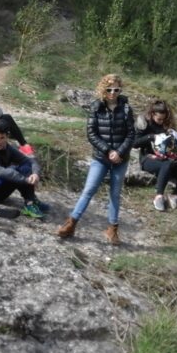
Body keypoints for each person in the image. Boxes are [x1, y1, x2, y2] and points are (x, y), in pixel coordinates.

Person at [57, 74, 135, 244]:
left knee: (115, 194)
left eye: (116, 89)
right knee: (89, 190)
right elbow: (91, 133)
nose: (113, 93)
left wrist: (119, 153)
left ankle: (112, 230)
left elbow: (131, 134)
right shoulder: (95, 107)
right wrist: (108, 151)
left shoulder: (126, 109)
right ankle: (71, 224)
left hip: (120, 159)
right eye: (109, 89)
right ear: (103, 89)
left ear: (120, 90)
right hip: (101, 157)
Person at [0, 119, 45, 218]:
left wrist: (35, 174)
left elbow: (29, 161)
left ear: (7, 137)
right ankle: (30, 203)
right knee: (14, 170)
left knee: (25, 167)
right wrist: (25, 180)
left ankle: (31, 200)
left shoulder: (7, 148)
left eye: (2, 138)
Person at [134, 100, 177, 211]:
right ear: (152, 114)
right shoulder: (144, 124)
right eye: (159, 119)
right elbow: (135, 143)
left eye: (163, 119)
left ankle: (175, 195)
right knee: (166, 165)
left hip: (167, 157)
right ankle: (159, 196)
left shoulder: (168, 125)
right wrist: (151, 137)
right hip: (148, 158)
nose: (161, 122)